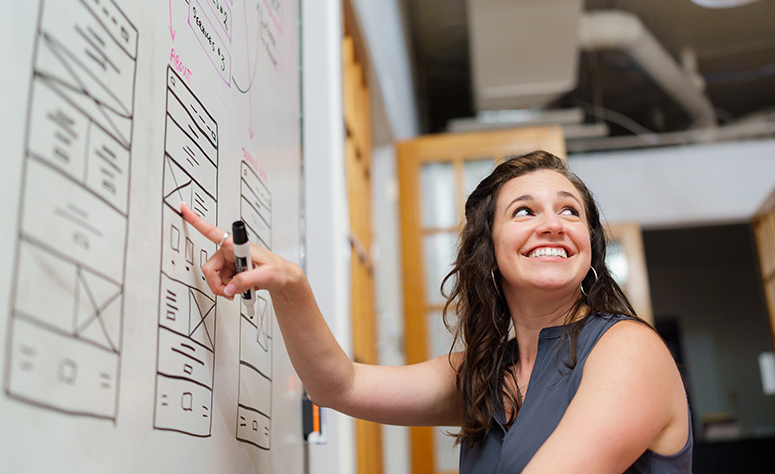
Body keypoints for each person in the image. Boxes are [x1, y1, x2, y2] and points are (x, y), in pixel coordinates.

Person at [180, 150, 692, 473]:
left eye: (569, 210)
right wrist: (290, 286)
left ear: (589, 243)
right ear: (488, 250)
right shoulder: (488, 371)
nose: (553, 224)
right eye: (525, 211)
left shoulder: (628, 350)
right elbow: (340, 386)